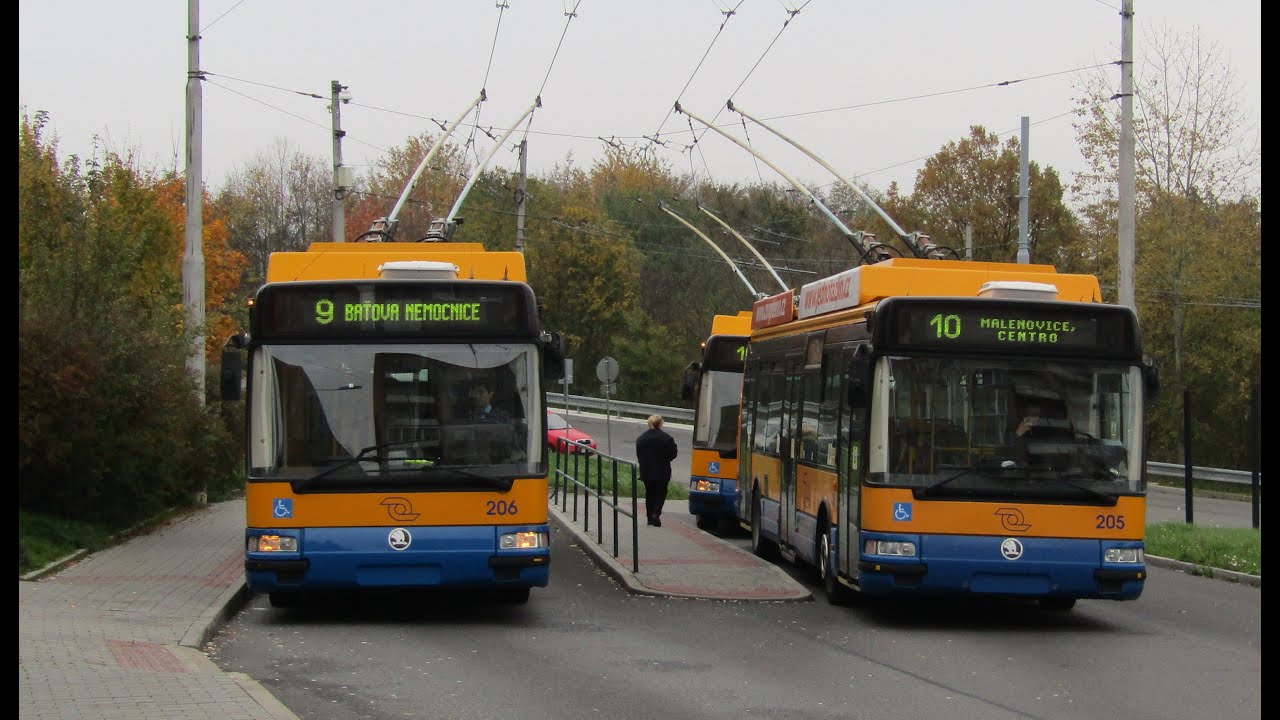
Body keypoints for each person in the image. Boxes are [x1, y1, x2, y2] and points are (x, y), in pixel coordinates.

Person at [635, 414, 678, 527]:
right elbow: (673, 454)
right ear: (660, 424)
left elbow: (639, 454)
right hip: (662, 471)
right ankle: (656, 514)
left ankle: (649, 517)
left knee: (649, 493)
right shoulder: (667, 438)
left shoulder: (641, 438)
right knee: (661, 493)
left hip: (647, 470)